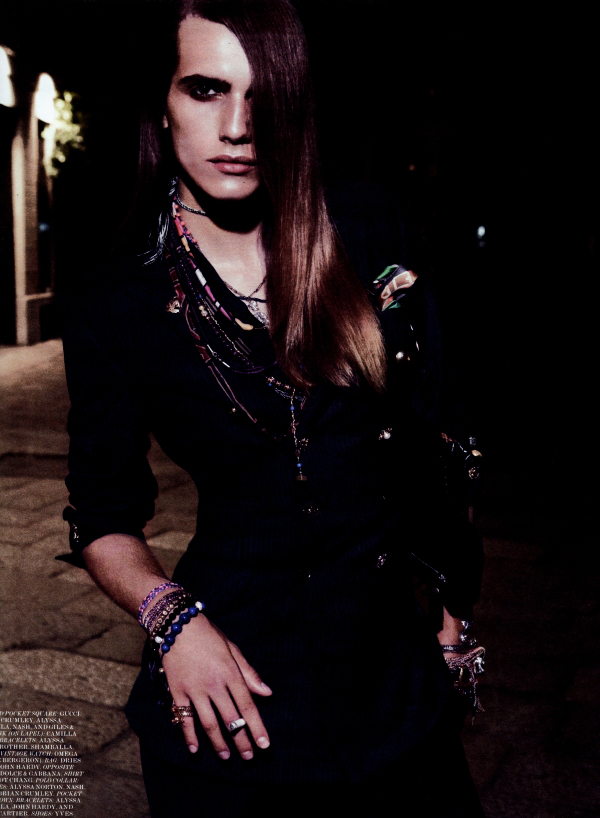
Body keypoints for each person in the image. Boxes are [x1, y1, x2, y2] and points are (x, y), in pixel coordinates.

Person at [60, 1, 486, 815]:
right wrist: (174, 624)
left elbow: (443, 431)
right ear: (162, 103)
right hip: (231, 691)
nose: (238, 127)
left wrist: (452, 605)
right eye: (206, 89)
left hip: (395, 684)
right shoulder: (118, 297)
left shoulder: (365, 228)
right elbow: (103, 516)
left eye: (265, 96)